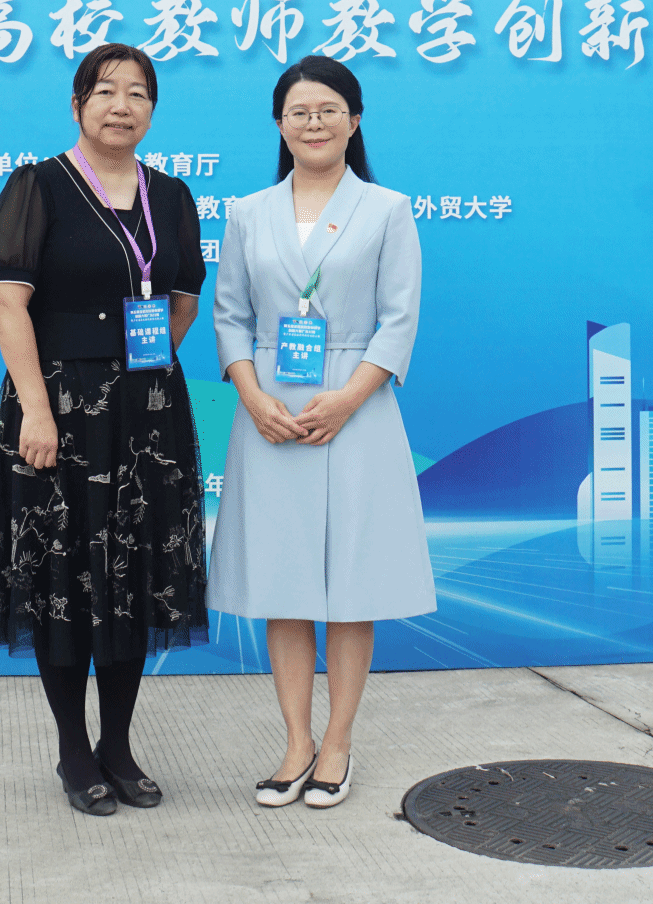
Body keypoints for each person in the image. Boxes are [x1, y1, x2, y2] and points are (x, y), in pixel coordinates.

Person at [0, 43, 210, 816]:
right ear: (77, 104)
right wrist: (38, 408)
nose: (122, 105)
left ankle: (118, 744)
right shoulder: (38, 185)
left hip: (146, 413)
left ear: (152, 109)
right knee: (65, 577)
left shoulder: (171, 196)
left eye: (138, 92)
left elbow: (184, 297)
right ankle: (74, 751)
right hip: (56, 409)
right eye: (106, 90)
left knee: (133, 576)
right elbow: (8, 303)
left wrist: (143, 369)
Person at [209, 54, 434, 810]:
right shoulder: (248, 212)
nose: (314, 122)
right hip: (271, 412)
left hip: (357, 409)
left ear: (354, 119)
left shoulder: (386, 209)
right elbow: (230, 316)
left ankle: (337, 742)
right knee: (285, 581)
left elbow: (399, 319)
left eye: (329, 109)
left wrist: (347, 399)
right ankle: (295, 743)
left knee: (351, 584)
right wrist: (251, 395)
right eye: (300, 111)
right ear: (280, 123)